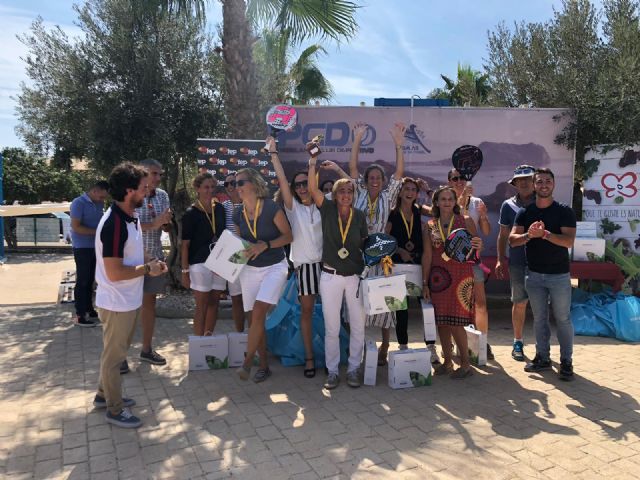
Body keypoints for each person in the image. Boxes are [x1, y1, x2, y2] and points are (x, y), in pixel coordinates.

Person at [93, 162, 167, 428]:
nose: (148, 191)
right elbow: (114, 273)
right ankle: (114, 409)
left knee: (116, 353)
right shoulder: (113, 224)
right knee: (113, 359)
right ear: (128, 191)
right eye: (143, 187)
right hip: (116, 302)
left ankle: (104, 395)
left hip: (128, 300)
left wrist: (151, 261)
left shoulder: (130, 216)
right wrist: (147, 269)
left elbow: (135, 250)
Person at [269, 137, 351, 378]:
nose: (303, 188)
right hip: (305, 267)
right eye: (298, 185)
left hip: (328, 265)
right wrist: (273, 154)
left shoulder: (324, 203)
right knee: (306, 312)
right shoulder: (292, 208)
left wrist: (325, 165)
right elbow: (282, 179)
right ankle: (309, 358)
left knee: (332, 314)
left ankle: (332, 357)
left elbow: (350, 187)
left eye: (306, 183)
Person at [509, 167, 577, 381]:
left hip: (559, 275)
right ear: (534, 185)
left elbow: (568, 241)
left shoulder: (564, 211)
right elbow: (512, 240)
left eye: (548, 181)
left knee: (563, 319)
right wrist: (530, 235)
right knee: (539, 319)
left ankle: (566, 361)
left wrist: (545, 234)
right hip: (534, 275)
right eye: (539, 181)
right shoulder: (525, 212)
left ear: (553, 184)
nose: (544, 185)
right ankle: (543, 358)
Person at [309, 156, 368, 389]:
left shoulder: (359, 216)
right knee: (332, 327)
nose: (346, 195)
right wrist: (312, 163)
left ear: (353, 195)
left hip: (354, 277)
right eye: (341, 191)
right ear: (334, 195)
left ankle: (353, 369)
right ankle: (332, 371)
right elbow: (313, 189)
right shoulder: (327, 209)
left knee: (358, 326)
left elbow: (364, 244)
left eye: (349, 191)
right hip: (330, 276)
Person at [349, 122, 405, 366]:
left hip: (384, 256)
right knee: (357, 302)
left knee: (386, 301)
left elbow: (399, 173)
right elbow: (352, 167)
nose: (374, 180)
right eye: (371, 177)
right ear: (366, 180)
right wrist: (357, 139)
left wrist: (398, 145)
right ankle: (357, 347)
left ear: (383, 181)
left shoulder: (388, 196)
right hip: (359, 254)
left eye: (378, 178)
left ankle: (385, 345)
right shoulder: (358, 193)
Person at [234, 167, 293, 383]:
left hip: (275, 266)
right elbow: (240, 246)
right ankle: (264, 366)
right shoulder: (237, 213)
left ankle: (247, 362)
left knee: (259, 311)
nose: (237, 187)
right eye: (235, 184)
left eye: (240, 183)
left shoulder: (271, 207)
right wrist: (224, 264)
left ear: (253, 183)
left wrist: (265, 245)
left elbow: (288, 236)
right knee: (254, 319)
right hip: (249, 270)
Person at [422, 186, 483, 379]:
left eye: (450, 199)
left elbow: (476, 248)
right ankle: (447, 362)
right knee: (442, 322)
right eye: (443, 199)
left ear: (455, 201)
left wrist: (478, 245)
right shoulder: (430, 225)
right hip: (438, 278)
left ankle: (465, 365)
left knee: (457, 323)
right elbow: (427, 255)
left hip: (460, 276)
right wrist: (424, 282)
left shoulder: (465, 220)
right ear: (436, 202)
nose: (447, 202)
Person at [385, 177, 438, 362]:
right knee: (401, 309)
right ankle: (403, 346)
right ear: (400, 192)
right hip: (398, 265)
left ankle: (431, 346)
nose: (410, 192)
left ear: (417, 193)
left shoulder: (418, 209)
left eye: (413, 190)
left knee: (427, 307)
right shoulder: (392, 213)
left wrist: (428, 191)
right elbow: (385, 238)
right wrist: (399, 250)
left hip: (418, 264)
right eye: (406, 189)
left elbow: (438, 211)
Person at [448, 168, 492, 359]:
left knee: (480, 303)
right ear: (449, 181)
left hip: (472, 259)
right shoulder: (446, 201)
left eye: (463, 178)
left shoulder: (477, 202)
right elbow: (455, 221)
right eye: (455, 178)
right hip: (451, 261)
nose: (459, 181)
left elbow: (486, 232)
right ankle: (454, 344)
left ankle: (482, 344)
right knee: (454, 304)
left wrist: (483, 216)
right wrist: (462, 199)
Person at [133, 159, 172, 369]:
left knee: (149, 306)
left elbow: (164, 227)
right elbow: (129, 227)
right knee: (127, 307)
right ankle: (119, 355)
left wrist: (166, 224)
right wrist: (154, 223)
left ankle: (146, 349)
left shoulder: (163, 195)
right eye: (154, 173)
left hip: (154, 257)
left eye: (160, 174)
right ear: (143, 173)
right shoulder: (132, 195)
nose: (158, 178)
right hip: (132, 260)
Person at [495, 165, 536, 361]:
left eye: (528, 178)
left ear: (534, 181)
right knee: (519, 303)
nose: (524, 182)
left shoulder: (544, 202)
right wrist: (499, 259)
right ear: (515, 183)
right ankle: (518, 342)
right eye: (520, 180)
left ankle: (542, 347)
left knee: (540, 306)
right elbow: (503, 235)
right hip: (517, 261)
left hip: (542, 263)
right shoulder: (507, 205)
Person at [181, 173, 227, 336]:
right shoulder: (190, 213)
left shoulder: (220, 209)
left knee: (214, 303)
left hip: (219, 263)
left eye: (212, 187)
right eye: (206, 187)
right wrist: (185, 272)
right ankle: (199, 343)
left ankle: (209, 340)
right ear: (197, 188)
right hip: (200, 263)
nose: (210, 190)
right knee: (202, 305)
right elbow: (185, 245)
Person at [69, 180, 109, 327]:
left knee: (91, 279)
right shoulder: (78, 203)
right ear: (94, 191)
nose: (102, 200)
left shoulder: (99, 203)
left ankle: (89, 309)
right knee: (83, 280)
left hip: (96, 246)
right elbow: (76, 227)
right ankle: (80, 315)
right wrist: (99, 232)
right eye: (101, 197)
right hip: (82, 247)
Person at [220, 173, 245, 332]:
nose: (229, 187)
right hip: (232, 256)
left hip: (250, 254)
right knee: (236, 298)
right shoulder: (222, 207)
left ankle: (255, 335)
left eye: (233, 183)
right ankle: (240, 335)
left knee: (251, 299)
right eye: (226, 184)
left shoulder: (250, 203)